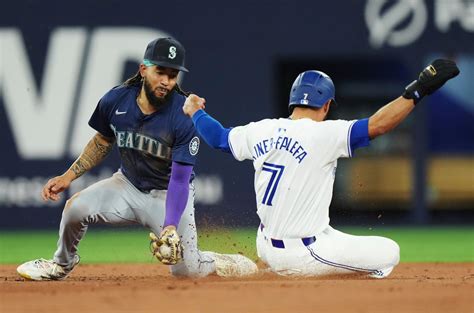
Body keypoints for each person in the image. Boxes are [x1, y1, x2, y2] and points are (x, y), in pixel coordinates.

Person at [182, 59, 460, 277]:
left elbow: (217, 138)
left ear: (293, 100)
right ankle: (328, 282)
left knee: (327, 231)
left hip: (265, 243)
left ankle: (263, 266)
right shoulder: (324, 134)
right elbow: (378, 124)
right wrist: (418, 89)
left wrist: (195, 111)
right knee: (389, 253)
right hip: (301, 255)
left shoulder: (260, 130)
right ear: (326, 105)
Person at [17, 37, 257, 281]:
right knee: (75, 208)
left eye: (173, 75)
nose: (166, 81)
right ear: (143, 69)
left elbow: (180, 179)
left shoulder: (183, 115)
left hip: (167, 195)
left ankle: (216, 260)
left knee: (187, 271)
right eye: (160, 72)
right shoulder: (116, 100)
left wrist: (171, 225)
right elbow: (102, 141)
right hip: (126, 184)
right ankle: (60, 265)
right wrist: (68, 176)